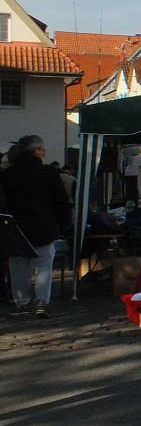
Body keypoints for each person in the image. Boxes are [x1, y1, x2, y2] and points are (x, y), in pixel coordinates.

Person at [0, 135, 71, 318]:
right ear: (36, 150)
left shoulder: (6, 175)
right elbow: (61, 202)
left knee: (18, 265)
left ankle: (22, 302)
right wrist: (64, 224)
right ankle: (41, 301)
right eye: (43, 149)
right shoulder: (48, 173)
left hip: (15, 229)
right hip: (43, 227)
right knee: (44, 266)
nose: (44, 152)